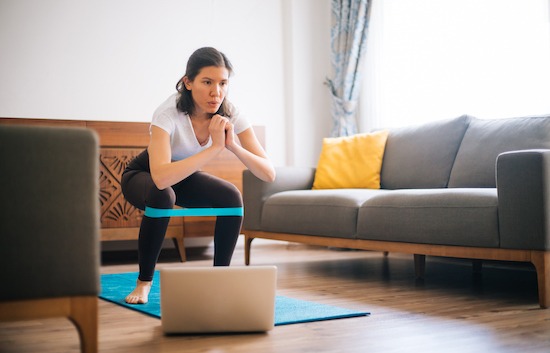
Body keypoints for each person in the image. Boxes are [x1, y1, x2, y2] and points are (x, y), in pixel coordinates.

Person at [121, 47, 276, 304]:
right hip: (143, 175)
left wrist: (232, 146)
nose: (216, 92)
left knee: (231, 196)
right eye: (207, 82)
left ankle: (219, 281)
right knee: (163, 195)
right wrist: (215, 147)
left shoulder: (231, 112)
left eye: (223, 83)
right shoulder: (167, 113)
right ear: (188, 82)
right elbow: (160, 177)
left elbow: (268, 173)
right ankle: (144, 282)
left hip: (181, 174)